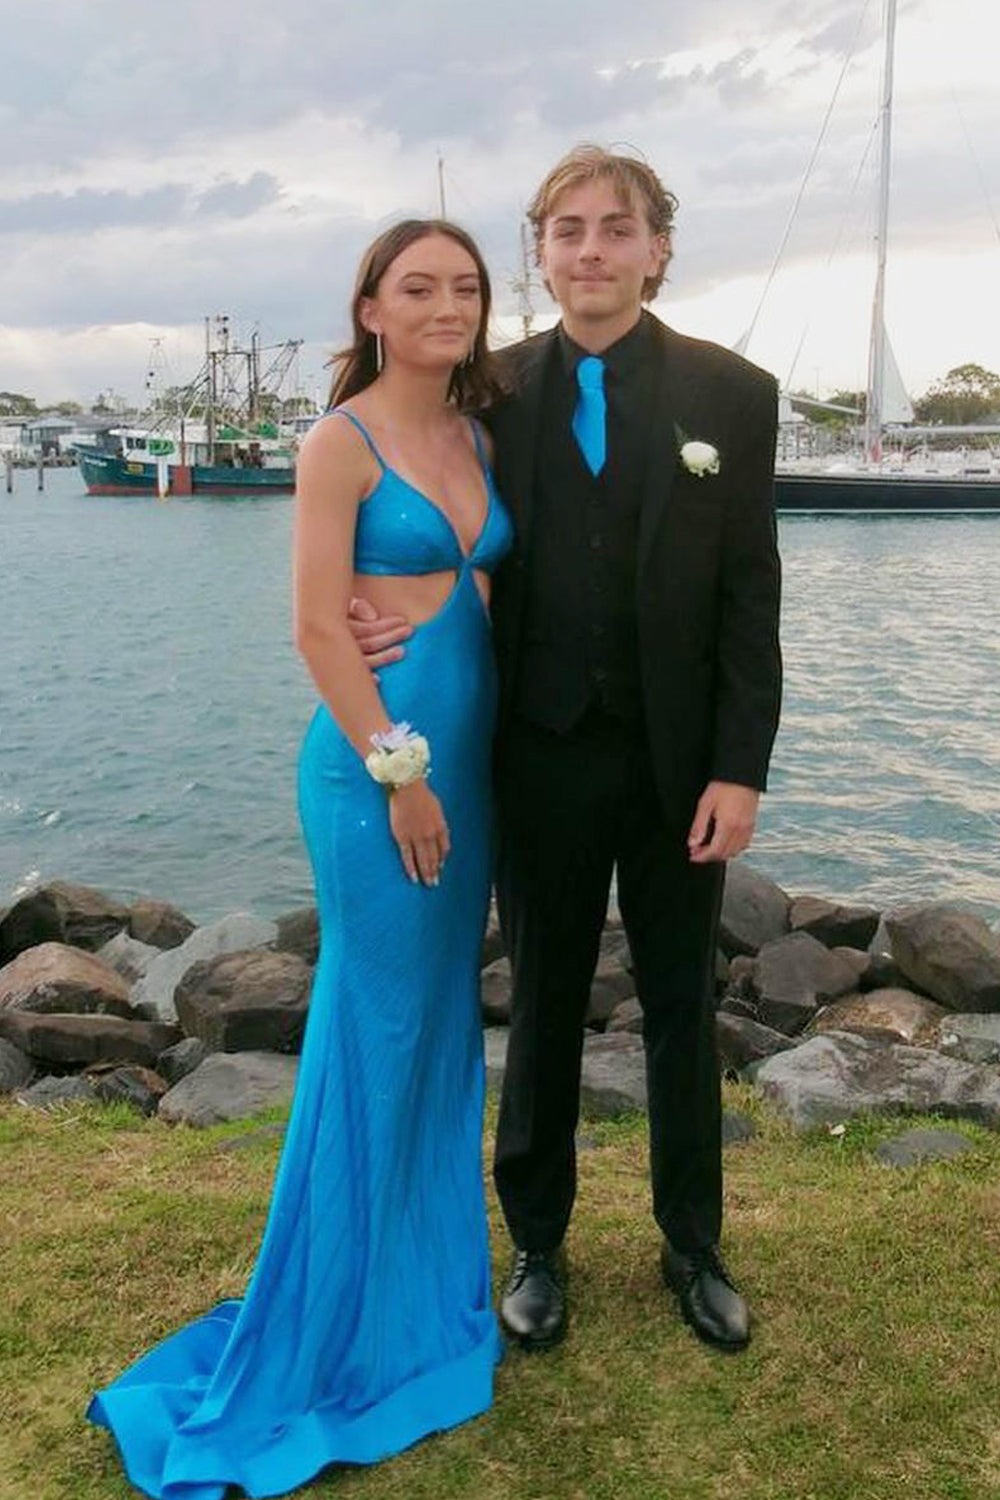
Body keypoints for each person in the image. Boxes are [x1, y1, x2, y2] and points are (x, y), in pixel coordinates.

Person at [87, 219, 512, 1499]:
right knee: (374, 1031)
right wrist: (399, 770)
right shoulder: (343, 441)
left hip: (470, 769)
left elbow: (484, 594)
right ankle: (330, 1325)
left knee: (436, 1029)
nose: (446, 305)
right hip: (382, 778)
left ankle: (414, 1292)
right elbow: (317, 628)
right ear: (371, 309)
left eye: (466, 287)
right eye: (418, 287)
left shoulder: (478, 435)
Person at [351, 146, 782, 1356]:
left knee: (682, 1002)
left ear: (656, 248)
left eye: (615, 229)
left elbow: (750, 595)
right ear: (539, 253)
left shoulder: (733, 394)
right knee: (540, 1002)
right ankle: (536, 1244)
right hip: (535, 757)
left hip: (679, 766)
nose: (591, 251)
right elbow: (417, 510)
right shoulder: (488, 392)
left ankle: (692, 1245)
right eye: (567, 230)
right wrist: (371, 608)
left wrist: (739, 767)